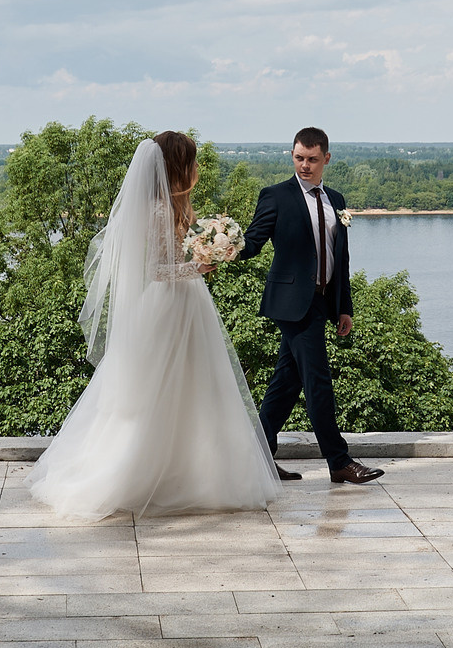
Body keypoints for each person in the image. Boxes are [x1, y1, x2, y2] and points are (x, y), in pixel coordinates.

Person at [27, 132, 281, 521]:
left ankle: (195, 471)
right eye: (192, 160)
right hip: (170, 305)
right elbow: (158, 269)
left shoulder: (177, 204)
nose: (196, 167)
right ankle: (146, 473)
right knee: (164, 388)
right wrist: (199, 266)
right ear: (178, 166)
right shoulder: (160, 209)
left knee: (197, 387)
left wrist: (208, 251)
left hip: (188, 301)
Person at [239, 126, 385, 485]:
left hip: (323, 301)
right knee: (318, 381)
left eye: (312, 159)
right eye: (299, 158)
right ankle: (339, 461)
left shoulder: (336, 198)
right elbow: (253, 242)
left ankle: (256, 458)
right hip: (291, 303)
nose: (304, 165)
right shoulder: (275, 196)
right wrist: (219, 247)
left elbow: (340, 258)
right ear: (292, 155)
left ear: (326, 159)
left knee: (286, 384)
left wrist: (344, 307)